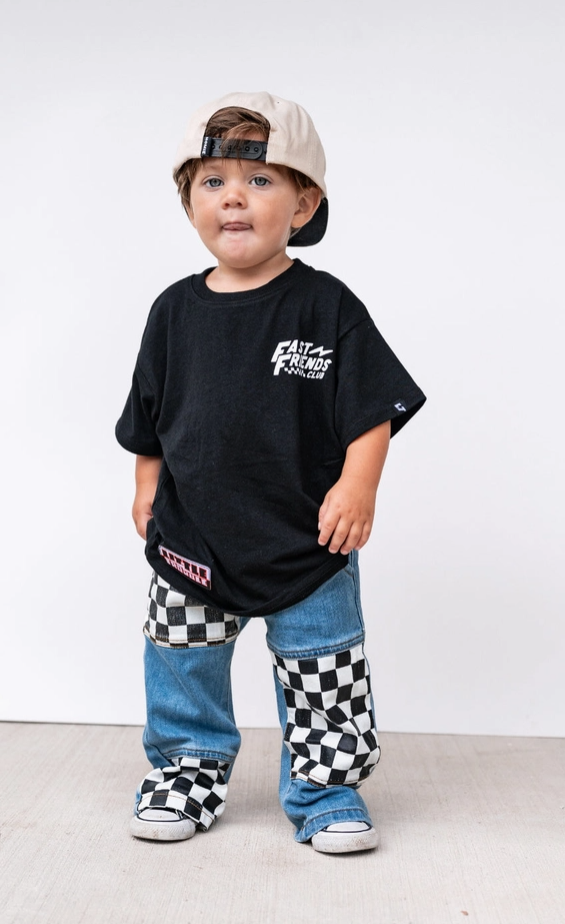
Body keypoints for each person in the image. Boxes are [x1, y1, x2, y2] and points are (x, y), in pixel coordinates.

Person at [115, 91, 426, 853]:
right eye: (212, 181)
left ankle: (325, 791)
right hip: (192, 539)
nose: (233, 197)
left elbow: (370, 409)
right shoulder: (172, 311)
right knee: (182, 664)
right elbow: (149, 414)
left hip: (307, 542)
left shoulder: (325, 305)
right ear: (189, 202)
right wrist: (145, 487)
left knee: (324, 673)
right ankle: (186, 771)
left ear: (303, 204)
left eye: (258, 181)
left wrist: (358, 486)